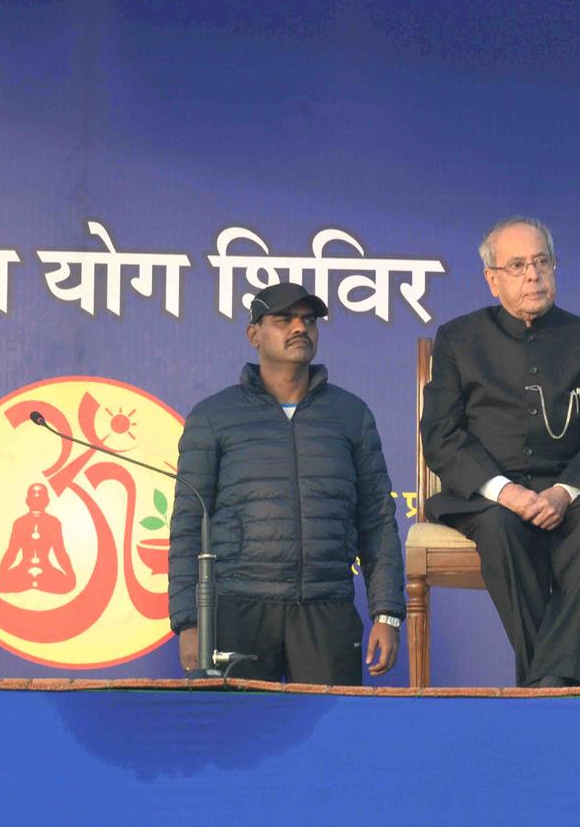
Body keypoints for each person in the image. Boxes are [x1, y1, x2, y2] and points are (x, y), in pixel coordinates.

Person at [420, 217, 580, 687]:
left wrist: (563, 492)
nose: (533, 275)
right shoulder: (458, 339)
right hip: (490, 496)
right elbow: (439, 434)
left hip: (570, 491)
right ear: (492, 280)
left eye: (541, 262)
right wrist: (505, 491)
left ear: (555, 268)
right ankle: (561, 687)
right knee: (498, 528)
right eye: (517, 266)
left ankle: (539, 688)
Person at [168, 282, 405, 683]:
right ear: (254, 334)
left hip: (325, 608)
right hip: (237, 610)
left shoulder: (350, 414)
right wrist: (190, 623)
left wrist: (387, 614)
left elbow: (377, 520)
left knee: (330, 743)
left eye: (309, 321)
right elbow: (189, 524)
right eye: (284, 320)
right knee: (239, 741)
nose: (300, 328)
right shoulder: (214, 416)